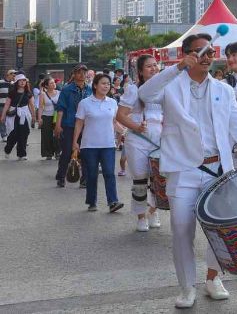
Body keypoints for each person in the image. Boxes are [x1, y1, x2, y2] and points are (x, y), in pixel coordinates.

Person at [138, 33, 237, 308]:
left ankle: (213, 277)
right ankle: (186, 287)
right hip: (183, 171)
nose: (206, 57)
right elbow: (144, 94)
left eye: (210, 52)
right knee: (182, 230)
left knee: (220, 229)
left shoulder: (223, 90)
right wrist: (177, 67)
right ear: (187, 55)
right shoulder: (171, 86)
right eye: (199, 52)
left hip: (217, 170)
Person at [116, 54, 163, 232]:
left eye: (155, 65)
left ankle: (153, 210)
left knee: (160, 178)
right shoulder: (134, 90)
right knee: (141, 180)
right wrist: (136, 126)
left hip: (160, 139)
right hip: (138, 140)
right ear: (141, 71)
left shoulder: (164, 89)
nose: (154, 69)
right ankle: (141, 216)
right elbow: (120, 115)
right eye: (149, 66)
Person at [71, 73, 123, 213]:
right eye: (103, 83)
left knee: (109, 173)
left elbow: (114, 122)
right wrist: (75, 142)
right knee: (92, 174)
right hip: (89, 145)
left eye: (108, 84)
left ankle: (113, 201)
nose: (106, 86)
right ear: (95, 85)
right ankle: (91, 201)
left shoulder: (112, 102)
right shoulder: (85, 103)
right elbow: (79, 123)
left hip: (108, 145)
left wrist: (124, 134)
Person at [55, 65, 92, 188]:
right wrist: (58, 125)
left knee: (86, 152)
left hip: (86, 126)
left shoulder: (90, 90)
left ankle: (84, 179)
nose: (82, 75)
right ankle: (61, 177)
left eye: (84, 72)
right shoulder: (67, 89)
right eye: (79, 72)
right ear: (74, 74)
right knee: (66, 152)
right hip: (69, 124)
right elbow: (61, 108)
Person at [3, 74, 36, 160]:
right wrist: (3, 116)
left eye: (24, 80)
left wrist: (33, 116)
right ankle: (7, 149)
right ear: (17, 82)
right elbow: (7, 105)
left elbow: (31, 105)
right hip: (14, 115)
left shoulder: (28, 93)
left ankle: (21, 154)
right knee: (14, 134)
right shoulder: (12, 93)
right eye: (20, 80)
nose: (22, 82)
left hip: (24, 115)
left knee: (24, 133)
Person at [37, 77, 60, 160]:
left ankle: (58, 152)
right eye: (51, 83)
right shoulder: (43, 94)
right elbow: (40, 107)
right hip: (46, 116)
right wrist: (39, 118)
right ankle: (48, 153)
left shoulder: (59, 93)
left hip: (57, 116)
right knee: (47, 135)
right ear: (46, 85)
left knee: (57, 134)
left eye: (54, 82)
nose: (54, 84)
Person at [0, 69, 14, 141]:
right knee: (2, 119)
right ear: (8, 75)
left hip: (12, 105)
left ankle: (10, 134)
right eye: (12, 74)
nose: (13, 75)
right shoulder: (1, 82)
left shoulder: (15, 83)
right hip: (2, 104)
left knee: (11, 120)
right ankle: (4, 134)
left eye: (14, 74)